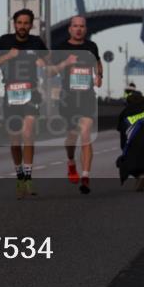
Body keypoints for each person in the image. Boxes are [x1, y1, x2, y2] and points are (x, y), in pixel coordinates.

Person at [0, 9, 48, 200]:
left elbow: (49, 62)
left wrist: (42, 62)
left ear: (31, 24)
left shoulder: (37, 42)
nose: (22, 26)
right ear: (14, 24)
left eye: (26, 23)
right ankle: (19, 175)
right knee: (15, 141)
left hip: (32, 93)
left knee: (28, 133)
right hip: (11, 94)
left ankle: (28, 178)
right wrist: (7, 56)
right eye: (19, 23)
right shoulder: (4, 41)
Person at [51, 15, 102, 194]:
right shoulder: (61, 48)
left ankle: (86, 176)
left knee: (86, 133)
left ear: (85, 29)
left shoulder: (91, 47)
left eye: (82, 26)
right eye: (75, 26)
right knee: (72, 137)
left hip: (87, 96)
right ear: (70, 29)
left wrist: (99, 76)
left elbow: (98, 62)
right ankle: (71, 162)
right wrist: (65, 62)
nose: (79, 29)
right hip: (68, 99)